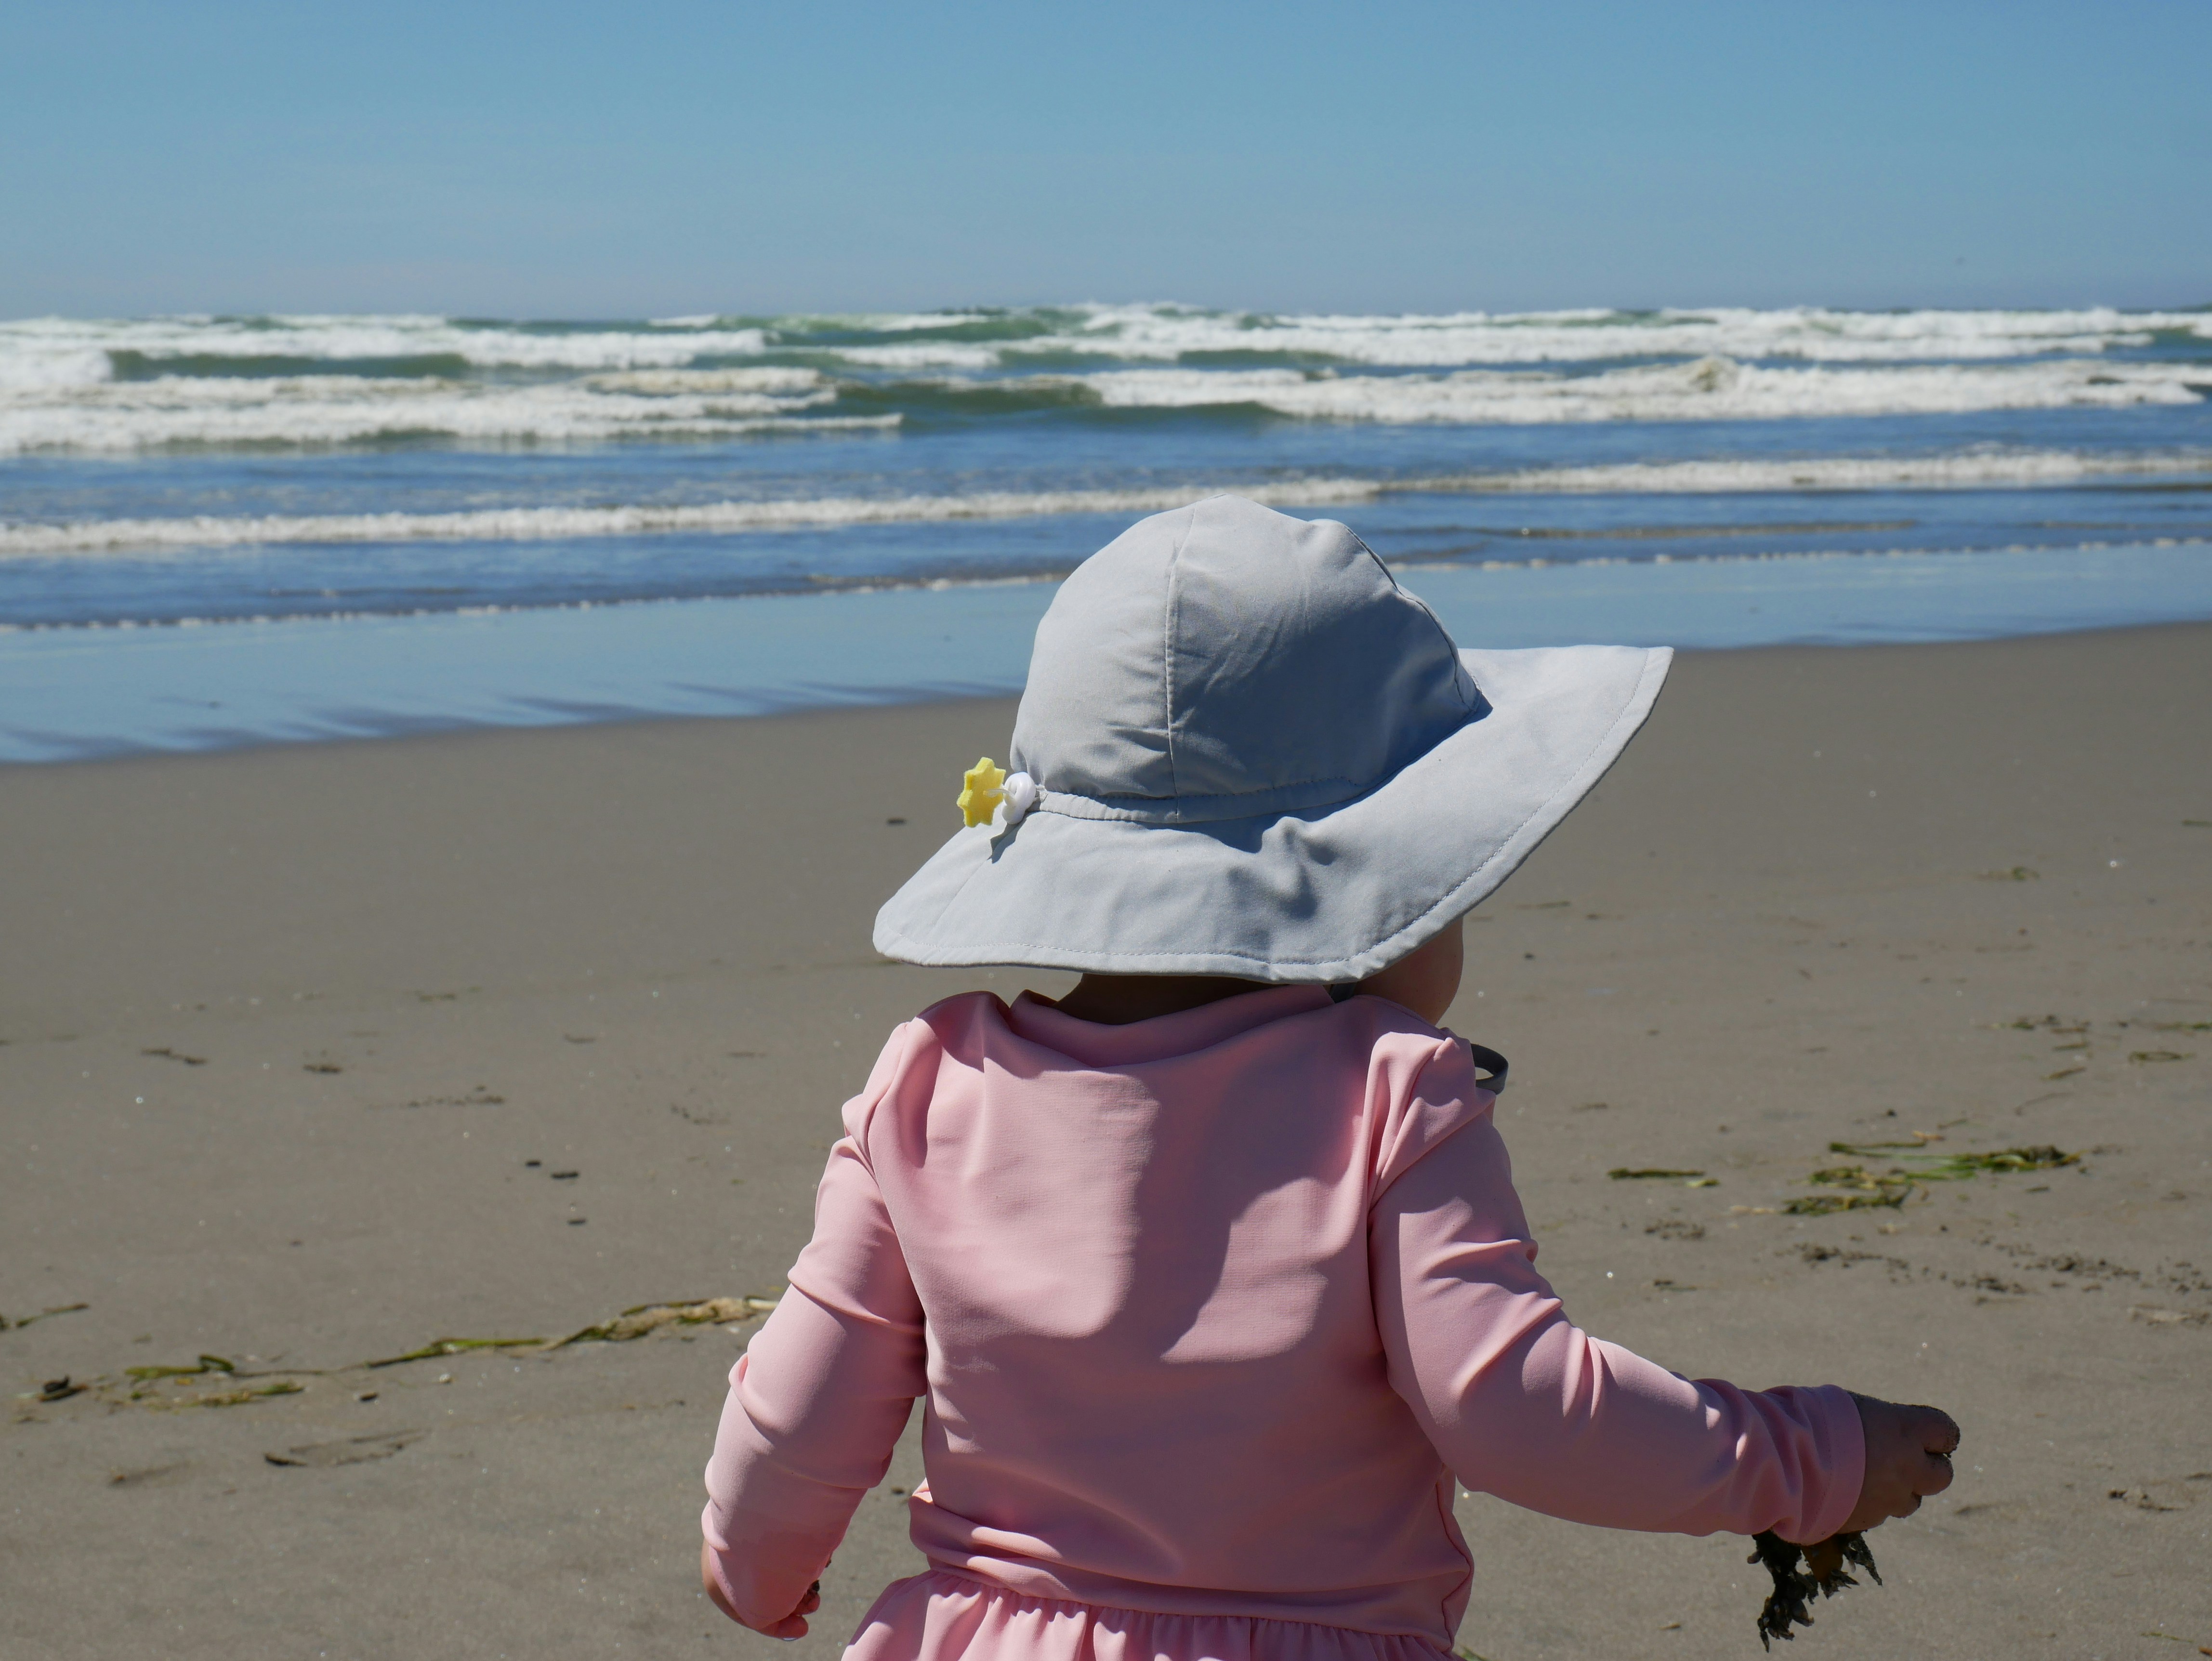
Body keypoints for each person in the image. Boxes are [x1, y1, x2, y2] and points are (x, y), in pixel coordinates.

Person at [698, 496, 1958, 1659]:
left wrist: (755, 1565)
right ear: (1388, 886)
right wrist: (1804, 1460)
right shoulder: (1389, 1094)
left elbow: (804, 1405)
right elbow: (1513, 1407)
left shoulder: (930, 1083)